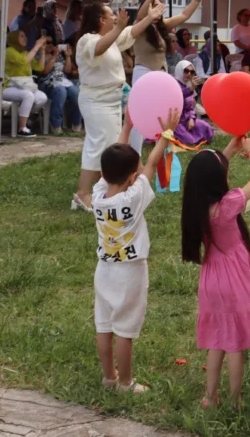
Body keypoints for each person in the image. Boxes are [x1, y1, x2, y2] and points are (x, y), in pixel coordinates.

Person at [180, 136, 250, 409]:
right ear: (218, 179)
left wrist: (230, 149)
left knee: (218, 339)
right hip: (233, 277)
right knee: (234, 343)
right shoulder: (229, 204)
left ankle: (210, 396)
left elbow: (210, 173)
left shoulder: (197, 207)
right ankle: (235, 399)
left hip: (211, 278)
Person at [92, 110, 178, 395]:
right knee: (125, 331)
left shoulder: (98, 196)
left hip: (104, 269)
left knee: (104, 325)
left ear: (104, 174)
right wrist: (166, 135)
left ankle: (108, 377)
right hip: (130, 271)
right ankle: (126, 383)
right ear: (132, 176)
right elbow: (152, 163)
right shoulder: (134, 196)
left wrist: (126, 128)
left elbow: (119, 161)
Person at [74, 0, 164, 211]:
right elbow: (98, 48)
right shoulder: (87, 40)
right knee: (97, 145)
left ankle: (106, 188)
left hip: (112, 100)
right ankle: (82, 193)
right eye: (111, 15)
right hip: (96, 101)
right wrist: (118, 28)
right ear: (101, 20)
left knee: (110, 144)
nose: (115, 17)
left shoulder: (112, 38)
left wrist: (150, 17)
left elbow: (132, 33)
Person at [129, 0, 206, 151]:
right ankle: (135, 151)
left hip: (160, 76)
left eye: (159, 6)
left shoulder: (162, 27)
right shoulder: (140, 26)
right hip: (143, 73)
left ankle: (161, 148)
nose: (158, 9)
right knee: (139, 114)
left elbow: (185, 15)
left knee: (161, 114)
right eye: (153, 6)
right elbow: (141, 15)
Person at [2, 30, 49, 138]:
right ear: (14, 39)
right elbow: (23, 61)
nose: (25, 38)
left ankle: (24, 118)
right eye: (21, 36)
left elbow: (40, 67)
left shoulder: (25, 53)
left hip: (25, 86)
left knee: (42, 97)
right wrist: (36, 46)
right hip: (8, 86)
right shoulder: (9, 51)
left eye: (25, 36)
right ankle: (22, 128)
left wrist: (42, 50)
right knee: (28, 95)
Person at [38, 37, 82, 135]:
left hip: (63, 80)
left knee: (76, 93)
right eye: (47, 43)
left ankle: (76, 123)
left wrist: (67, 57)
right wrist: (54, 56)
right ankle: (56, 124)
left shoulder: (60, 57)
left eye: (53, 43)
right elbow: (44, 71)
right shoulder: (39, 55)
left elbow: (67, 71)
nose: (50, 45)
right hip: (47, 82)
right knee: (61, 92)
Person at [172, 61, 213, 145]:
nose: (189, 74)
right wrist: (191, 89)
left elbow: (191, 107)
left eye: (192, 72)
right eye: (186, 71)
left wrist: (191, 118)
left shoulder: (188, 85)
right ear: (180, 70)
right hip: (176, 123)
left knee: (206, 128)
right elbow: (178, 96)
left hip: (187, 121)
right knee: (189, 141)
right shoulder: (173, 84)